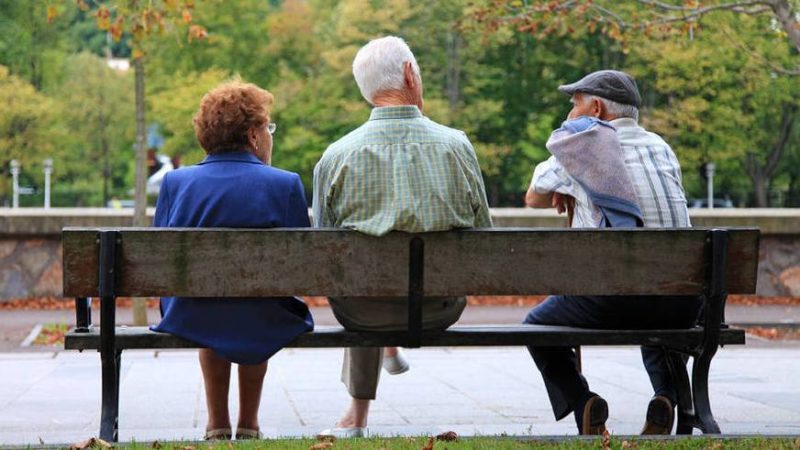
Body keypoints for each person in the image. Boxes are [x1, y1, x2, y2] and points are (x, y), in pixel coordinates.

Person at [313, 35, 492, 438]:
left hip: (362, 311)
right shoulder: (457, 147)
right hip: (439, 307)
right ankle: (384, 359)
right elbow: (485, 236)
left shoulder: (335, 156)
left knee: (363, 285)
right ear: (411, 74)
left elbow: (325, 251)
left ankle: (357, 412)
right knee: (373, 282)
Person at [524, 70, 696, 435]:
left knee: (536, 326)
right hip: (683, 302)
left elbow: (533, 197)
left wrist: (566, 186)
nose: (569, 114)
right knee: (655, 292)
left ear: (596, 109)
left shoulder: (582, 144)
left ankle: (583, 401)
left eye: (574, 105)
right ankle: (666, 396)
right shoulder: (661, 148)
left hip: (613, 301)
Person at [151, 80, 314, 441]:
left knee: (211, 307)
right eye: (268, 128)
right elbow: (299, 267)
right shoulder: (285, 184)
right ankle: (249, 424)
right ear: (254, 135)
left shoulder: (176, 183)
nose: (269, 136)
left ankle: (217, 423)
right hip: (265, 312)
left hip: (191, 313)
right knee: (258, 304)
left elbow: (162, 261)